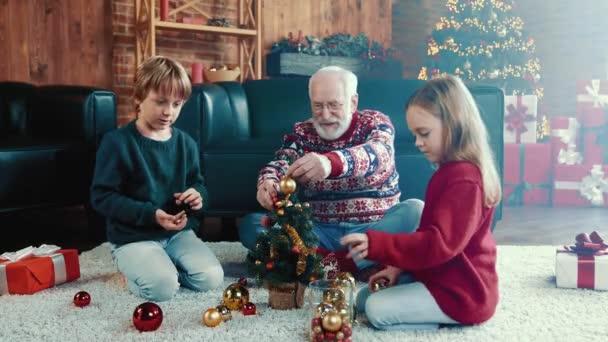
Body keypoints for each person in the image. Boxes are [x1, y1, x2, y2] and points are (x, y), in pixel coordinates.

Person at [341, 75, 501, 330]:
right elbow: (428, 234)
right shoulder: (448, 172)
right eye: (415, 134)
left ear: (454, 124)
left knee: (375, 310)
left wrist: (378, 244)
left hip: (464, 292)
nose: (417, 143)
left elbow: (438, 243)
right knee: (363, 299)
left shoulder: (465, 181)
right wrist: (397, 267)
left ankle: (446, 324)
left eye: (424, 133)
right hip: (440, 275)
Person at [238, 66, 423, 276]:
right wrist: (268, 182)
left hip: (371, 229)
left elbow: (379, 153)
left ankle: (315, 263)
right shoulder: (302, 132)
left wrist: (330, 163)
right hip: (318, 231)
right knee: (253, 225)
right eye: (318, 106)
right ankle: (355, 264)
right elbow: (281, 162)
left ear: (353, 103)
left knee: (416, 212)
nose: (325, 115)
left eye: (334, 105)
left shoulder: (375, 123)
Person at [90, 56, 223, 301]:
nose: (168, 112)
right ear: (139, 97)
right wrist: (152, 215)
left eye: (176, 104)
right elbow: (102, 197)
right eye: (160, 102)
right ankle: (140, 271)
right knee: (161, 289)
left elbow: (199, 184)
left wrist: (197, 196)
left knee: (211, 278)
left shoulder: (186, 143)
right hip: (133, 236)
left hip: (177, 234)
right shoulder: (117, 143)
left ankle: (163, 270)